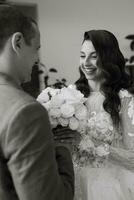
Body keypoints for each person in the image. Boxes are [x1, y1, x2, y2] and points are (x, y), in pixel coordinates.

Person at [0, 4, 74, 200]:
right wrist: (62, 148)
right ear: (18, 42)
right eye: (36, 48)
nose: (36, 59)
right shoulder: (25, 111)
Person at [73, 30, 134, 200]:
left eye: (93, 56)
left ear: (109, 58)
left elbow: (132, 158)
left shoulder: (125, 98)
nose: (86, 62)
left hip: (110, 186)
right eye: (82, 55)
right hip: (74, 180)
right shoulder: (72, 97)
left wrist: (87, 143)